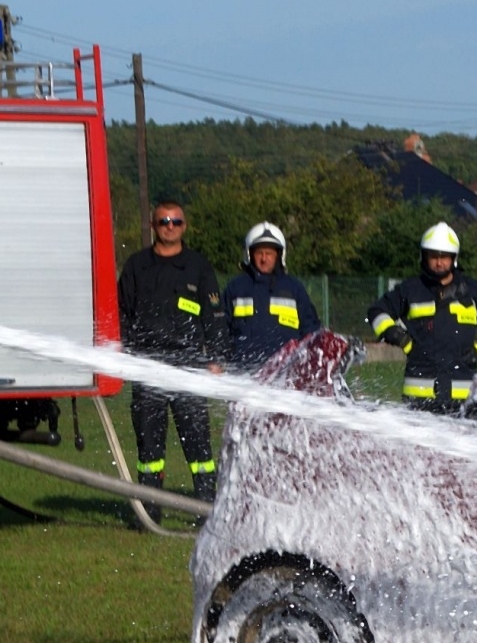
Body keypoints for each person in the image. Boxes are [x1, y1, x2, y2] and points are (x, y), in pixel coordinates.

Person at [116, 201, 226, 518]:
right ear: (153, 226)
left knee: (198, 445)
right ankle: (150, 511)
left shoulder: (198, 266)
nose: (170, 226)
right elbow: (122, 312)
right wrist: (124, 351)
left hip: (188, 366)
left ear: (184, 226)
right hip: (147, 365)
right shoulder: (137, 266)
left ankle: (206, 510)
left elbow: (214, 316)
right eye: (163, 221)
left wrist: (216, 357)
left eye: (176, 221)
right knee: (149, 447)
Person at [366, 222, 477, 413]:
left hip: (464, 399)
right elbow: (377, 312)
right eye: (433, 256)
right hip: (419, 399)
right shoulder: (410, 290)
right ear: (423, 257)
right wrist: (399, 338)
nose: (439, 263)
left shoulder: (473, 291)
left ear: (454, 259)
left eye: (444, 257)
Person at [222, 221, 322, 371]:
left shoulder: (294, 288)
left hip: (285, 371)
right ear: (249, 255)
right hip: (243, 372)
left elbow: (310, 330)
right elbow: (222, 327)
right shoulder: (236, 287)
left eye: (269, 254)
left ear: (279, 255)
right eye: (259, 253)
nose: (264, 259)